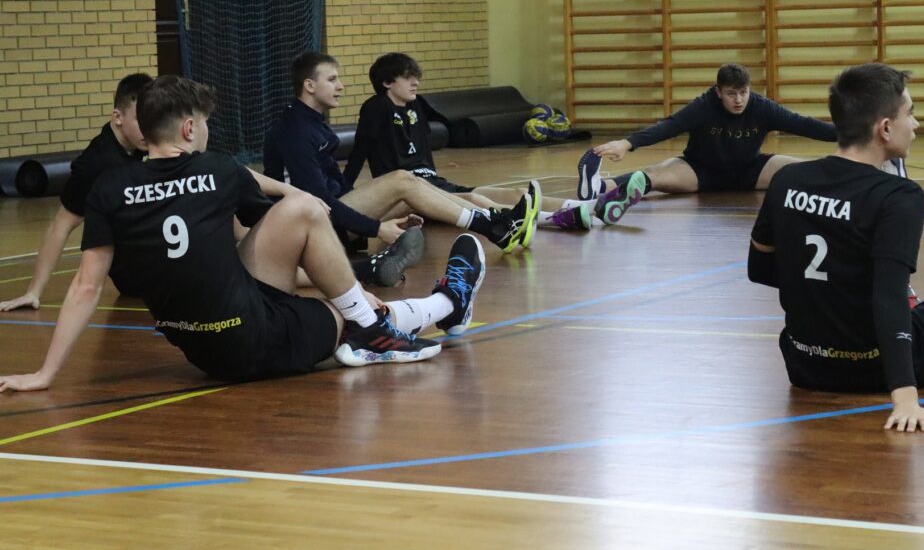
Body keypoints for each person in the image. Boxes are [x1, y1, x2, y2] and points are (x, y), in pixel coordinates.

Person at [0, 76, 488, 392]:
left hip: (199, 348)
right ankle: (442, 304)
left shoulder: (109, 187)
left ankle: (379, 315)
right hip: (251, 341)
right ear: (188, 129)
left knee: (304, 227)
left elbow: (86, 287)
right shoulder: (217, 170)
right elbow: (287, 214)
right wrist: (355, 294)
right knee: (333, 278)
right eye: (205, 124)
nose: (207, 132)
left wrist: (45, 373)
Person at [747, 62, 924, 432]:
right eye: (910, 113)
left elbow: (759, 269)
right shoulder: (898, 195)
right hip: (878, 367)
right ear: (885, 128)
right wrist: (906, 399)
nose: (916, 124)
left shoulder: (786, 180)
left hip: (805, 366)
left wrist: (826, 295)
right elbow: (890, 299)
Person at [263, 52, 537, 251]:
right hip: (311, 226)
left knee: (413, 187)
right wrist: (376, 228)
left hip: (329, 214)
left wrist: (375, 211)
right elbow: (318, 199)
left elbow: (335, 186)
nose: (341, 86)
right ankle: (494, 227)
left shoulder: (313, 123)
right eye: (332, 79)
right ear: (309, 86)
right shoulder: (295, 130)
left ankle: (498, 220)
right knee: (402, 179)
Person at [342, 52, 602, 231]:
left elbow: (422, 150)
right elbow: (360, 149)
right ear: (387, 82)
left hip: (432, 182)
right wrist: (345, 193)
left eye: (416, 77)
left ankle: (588, 207)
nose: (416, 82)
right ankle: (552, 219)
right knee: (475, 199)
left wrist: (435, 176)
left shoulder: (415, 106)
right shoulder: (376, 107)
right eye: (408, 78)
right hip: (410, 192)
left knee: (517, 193)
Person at [574, 63, 838, 224]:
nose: (739, 100)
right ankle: (598, 187)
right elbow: (669, 126)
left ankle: (844, 183)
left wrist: (848, 134)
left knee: (803, 171)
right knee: (652, 176)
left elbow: (803, 124)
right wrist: (627, 143)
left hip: (751, 170)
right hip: (699, 170)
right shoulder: (703, 106)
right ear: (718, 91)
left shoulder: (761, 107)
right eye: (731, 94)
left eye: (743, 93)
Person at [1, 73, 151, 311]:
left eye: (152, 118)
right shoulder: (95, 165)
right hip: (133, 271)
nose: (149, 127)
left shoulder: (140, 141)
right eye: (140, 119)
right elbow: (60, 225)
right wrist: (33, 291)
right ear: (118, 117)